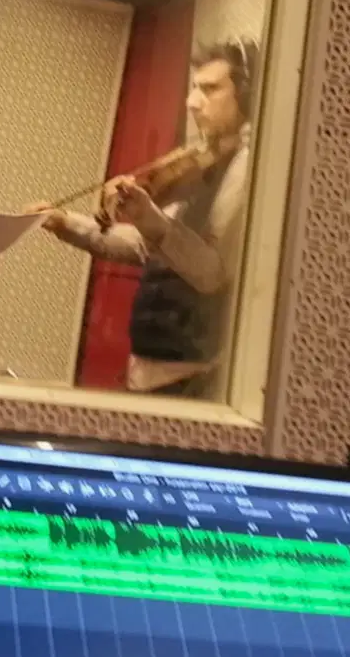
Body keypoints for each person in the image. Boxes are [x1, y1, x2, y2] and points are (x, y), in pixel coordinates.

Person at [32, 39, 259, 397]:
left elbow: (211, 274)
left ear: (246, 95)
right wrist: (66, 223)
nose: (192, 102)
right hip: (149, 361)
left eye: (210, 89)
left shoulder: (248, 168)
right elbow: (146, 244)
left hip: (195, 373)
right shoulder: (204, 162)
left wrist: (150, 218)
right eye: (194, 87)